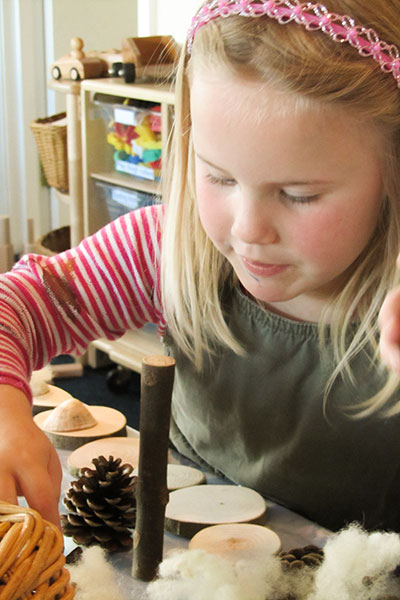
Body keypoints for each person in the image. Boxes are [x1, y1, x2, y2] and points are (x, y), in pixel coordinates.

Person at [1, 0, 400, 533]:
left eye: (299, 195)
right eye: (219, 177)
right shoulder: (166, 245)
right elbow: (21, 302)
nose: (247, 230)